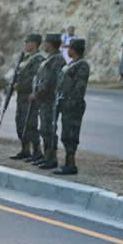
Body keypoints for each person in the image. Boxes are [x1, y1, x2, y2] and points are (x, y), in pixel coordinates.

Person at [52, 38, 89, 175]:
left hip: (73, 106)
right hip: (65, 104)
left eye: (70, 48)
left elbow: (79, 89)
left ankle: (71, 165)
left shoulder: (82, 65)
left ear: (75, 49)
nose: (67, 50)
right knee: (66, 134)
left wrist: (69, 103)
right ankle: (67, 163)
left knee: (71, 135)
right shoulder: (72, 63)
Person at [32, 33, 67, 170]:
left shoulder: (57, 60)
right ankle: (47, 157)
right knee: (45, 129)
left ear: (51, 44)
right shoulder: (51, 58)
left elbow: (51, 82)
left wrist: (38, 93)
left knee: (49, 130)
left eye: (45, 42)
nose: (43, 45)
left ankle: (51, 159)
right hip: (44, 100)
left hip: (50, 100)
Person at [9, 34, 45, 162]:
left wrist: (21, 85)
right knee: (20, 122)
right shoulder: (25, 58)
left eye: (27, 42)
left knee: (30, 124)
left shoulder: (38, 59)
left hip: (30, 96)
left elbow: (34, 78)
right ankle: (25, 150)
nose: (25, 44)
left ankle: (37, 151)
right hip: (21, 96)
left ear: (34, 44)